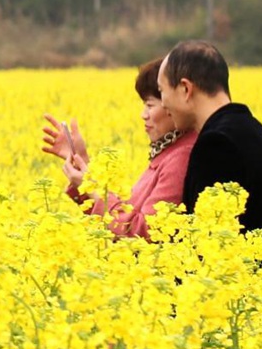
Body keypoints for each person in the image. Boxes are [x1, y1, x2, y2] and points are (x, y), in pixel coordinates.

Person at [157, 40, 262, 266]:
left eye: (162, 91)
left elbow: (207, 245)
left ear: (185, 89)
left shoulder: (216, 145)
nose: (163, 104)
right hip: (260, 291)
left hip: (231, 294)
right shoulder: (259, 135)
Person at [42, 57, 197, 240]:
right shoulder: (168, 152)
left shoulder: (181, 157)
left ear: (174, 104)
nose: (143, 115)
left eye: (149, 105)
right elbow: (123, 213)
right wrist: (83, 163)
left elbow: (144, 233)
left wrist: (92, 188)